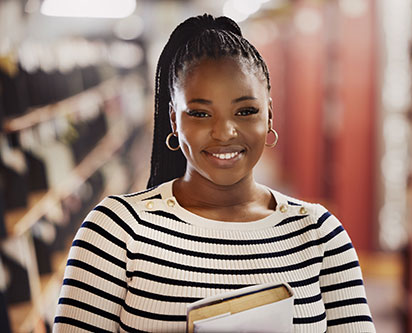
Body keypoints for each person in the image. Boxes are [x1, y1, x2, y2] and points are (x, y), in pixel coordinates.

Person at [53, 14, 375, 333]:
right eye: (200, 113)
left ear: (269, 115)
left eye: (245, 111)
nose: (224, 132)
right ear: (174, 121)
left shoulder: (321, 235)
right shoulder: (116, 233)